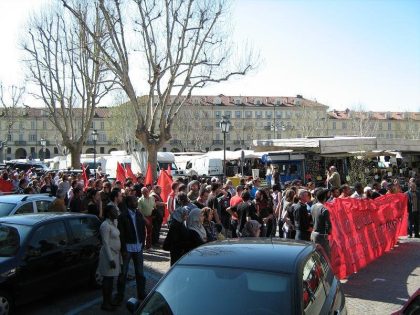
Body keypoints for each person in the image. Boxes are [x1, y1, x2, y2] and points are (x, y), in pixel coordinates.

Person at [115, 196, 147, 304]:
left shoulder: (138, 214)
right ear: (129, 203)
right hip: (128, 247)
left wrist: (143, 241)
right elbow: (121, 233)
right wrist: (123, 248)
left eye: (136, 200)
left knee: (140, 272)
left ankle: (141, 292)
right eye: (134, 201)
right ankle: (120, 295)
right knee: (123, 273)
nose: (136, 202)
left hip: (138, 246)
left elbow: (143, 228)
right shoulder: (123, 216)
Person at [98, 205, 121, 311]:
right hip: (108, 256)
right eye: (114, 211)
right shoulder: (105, 225)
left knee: (111, 280)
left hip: (115, 254)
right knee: (107, 279)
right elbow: (106, 243)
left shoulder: (113, 223)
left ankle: (109, 300)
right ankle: (105, 303)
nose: (116, 212)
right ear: (108, 213)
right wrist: (111, 259)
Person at [310, 188, 332, 258]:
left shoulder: (313, 207)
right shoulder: (324, 210)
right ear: (325, 198)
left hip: (313, 234)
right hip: (322, 237)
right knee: (326, 257)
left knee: (316, 256)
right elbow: (329, 226)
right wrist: (329, 232)